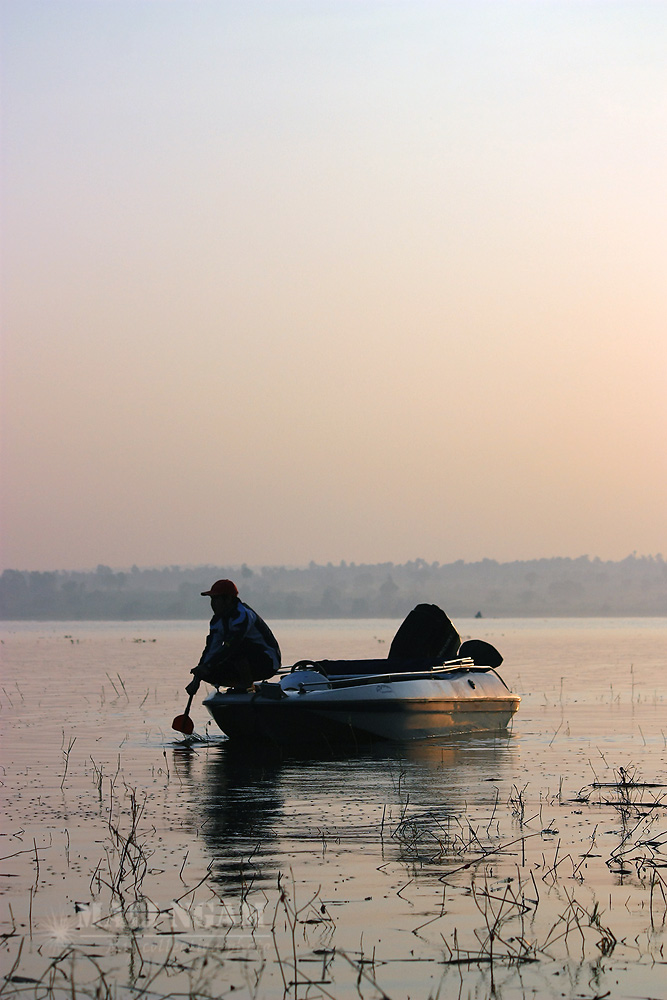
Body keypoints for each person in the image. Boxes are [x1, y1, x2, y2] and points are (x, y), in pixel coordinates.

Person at [185, 579, 281, 696]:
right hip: (243, 660)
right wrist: (197, 678)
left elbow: (233, 644)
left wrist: (208, 666)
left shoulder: (243, 614)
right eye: (212, 599)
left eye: (216, 599)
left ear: (228, 599)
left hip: (267, 662)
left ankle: (247, 687)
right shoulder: (217, 621)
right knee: (208, 671)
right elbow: (211, 650)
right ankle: (242, 686)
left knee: (234, 648)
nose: (212, 604)